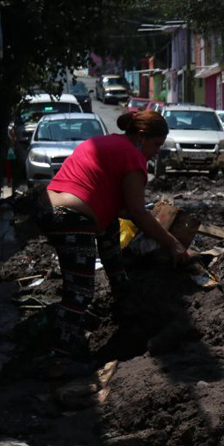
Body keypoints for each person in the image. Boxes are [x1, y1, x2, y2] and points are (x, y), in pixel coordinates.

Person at [38, 110, 188, 377]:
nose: (155, 152)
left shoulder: (104, 143)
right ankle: (57, 360)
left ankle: (122, 294)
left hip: (51, 210)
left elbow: (118, 209)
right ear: (141, 137)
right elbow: (138, 212)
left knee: (109, 231)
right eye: (155, 145)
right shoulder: (133, 156)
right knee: (80, 293)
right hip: (74, 219)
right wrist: (172, 244)